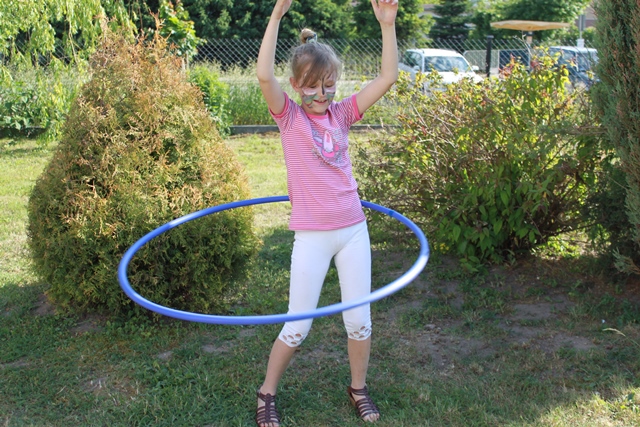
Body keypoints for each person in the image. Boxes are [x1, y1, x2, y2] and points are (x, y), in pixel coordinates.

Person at [255, 0, 398, 426]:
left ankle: (359, 388)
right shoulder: (289, 118)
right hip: (313, 236)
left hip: (353, 229)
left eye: (329, 85)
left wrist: (386, 25)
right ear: (296, 85)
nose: (322, 95)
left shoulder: (343, 113)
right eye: (313, 87)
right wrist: (276, 17)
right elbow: (264, 76)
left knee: (360, 321)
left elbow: (387, 77)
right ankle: (266, 393)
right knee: (297, 326)